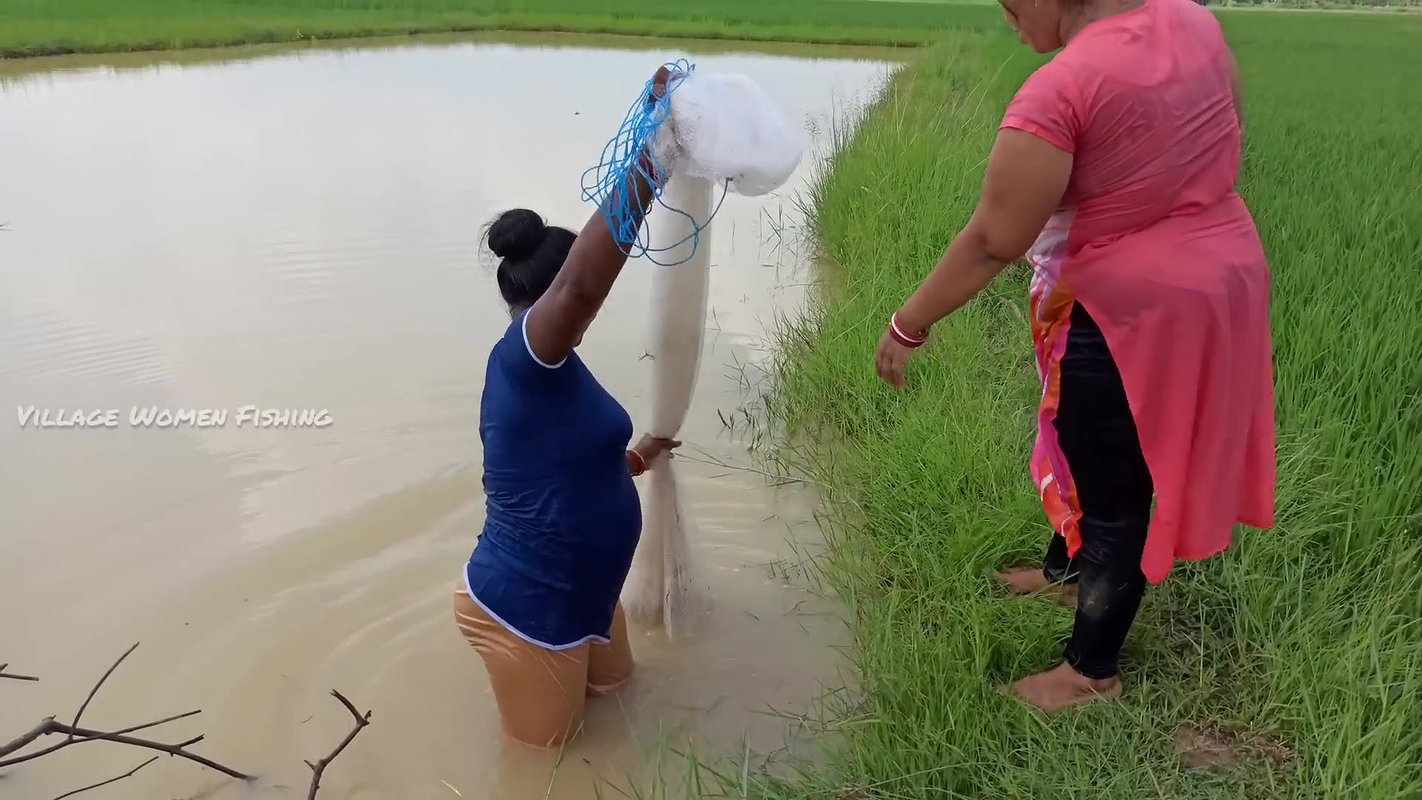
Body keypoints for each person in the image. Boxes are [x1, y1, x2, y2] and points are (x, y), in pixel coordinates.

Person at [874, 0, 1275, 711]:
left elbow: (995, 239)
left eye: (1009, 2)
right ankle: (1068, 572)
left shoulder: (1061, 88)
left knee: (1113, 484)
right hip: (1217, 277)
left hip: (1131, 309)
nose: (1007, 17)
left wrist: (909, 325)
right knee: (1076, 441)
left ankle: (1092, 672)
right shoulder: (1194, 22)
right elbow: (1228, 131)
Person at [453, 65, 681, 749]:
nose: (592, 311)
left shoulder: (557, 372)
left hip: (587, 594)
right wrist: (656, 155)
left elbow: (573, 462)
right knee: (547, 767)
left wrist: (639, 457)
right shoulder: (524, 355)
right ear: (549, 298)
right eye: (580, 302)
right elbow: (583, 284)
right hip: (528, 605)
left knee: (619, 701)